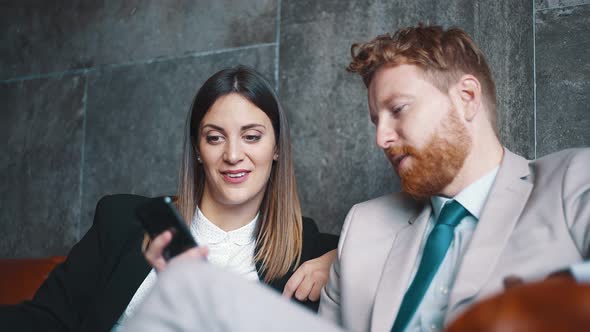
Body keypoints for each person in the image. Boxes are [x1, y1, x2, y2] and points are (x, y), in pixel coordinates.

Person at [121, 24, 590, 332]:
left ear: (466, 97)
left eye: (398, 111)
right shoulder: (365, 226)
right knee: (188, 285)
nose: (381, 137)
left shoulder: (570, 182)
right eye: (374, 120)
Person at [0, 66, 338, 332]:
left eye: (251, 137)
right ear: (198, 149)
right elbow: (45, 320)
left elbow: (385, 246)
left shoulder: (305, 248)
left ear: (277, 148)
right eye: (215, 137)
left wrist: (336, 259)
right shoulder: (121, 220)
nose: (233, 154)